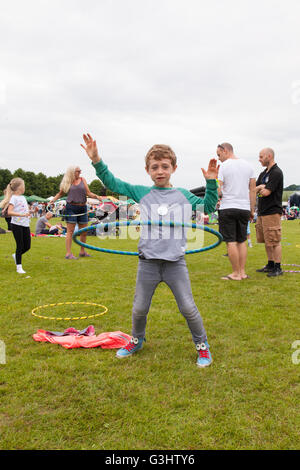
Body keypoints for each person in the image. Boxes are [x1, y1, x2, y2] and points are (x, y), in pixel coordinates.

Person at [81, 133, 219, 368]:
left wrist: (211, 183)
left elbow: (207, 206)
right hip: (148, 263)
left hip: (175, 263)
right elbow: (114, 184)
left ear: (174, 168)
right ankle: (136, 339)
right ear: (148, 170)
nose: (160, 171)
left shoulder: (183, 196)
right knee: (139, 308)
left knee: (188, 307)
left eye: (165, 166)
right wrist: (96, 161)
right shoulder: (142, 192)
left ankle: (202, 345)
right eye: (155, 167)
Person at [217, 143, 256, 280]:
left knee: (231, 242)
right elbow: (252, 189)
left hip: (228, 207)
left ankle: (235, 273)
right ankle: (242, 272)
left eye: (219, 154)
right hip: (244, 208)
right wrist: (252, 209)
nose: (219, 158)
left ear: (225, 150)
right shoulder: (249, 166)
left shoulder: (223, 166)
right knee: (242, 241)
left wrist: (218, 197)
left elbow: (218, 188)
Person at [50, 165, 102, 259]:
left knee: (84, 231)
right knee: (70, 231)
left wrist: (97, 197)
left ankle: (82, 252)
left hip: (83, 208)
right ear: (72, 172)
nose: (80, 172)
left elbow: (88, 193)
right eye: (78, 171)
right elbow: (60, 194)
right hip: (71, 208)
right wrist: (52, 200)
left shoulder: (83, 180)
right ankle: (68, 253)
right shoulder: (68, 182)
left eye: (80, 170)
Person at [255, 148, 284, 277]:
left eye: (261, 157)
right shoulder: (263, 174)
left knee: (274, 240)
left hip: (272, 211)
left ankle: (278, 267)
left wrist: (261, 188)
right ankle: (270, 264)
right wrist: (260, 187)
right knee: (267, 241)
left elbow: (266, 192)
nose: (259, 159)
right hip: (262, 212)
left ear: (269, 156)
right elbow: (254, 189)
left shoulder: (276, 173)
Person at [0, 178, 31, 273]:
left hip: (25, 224)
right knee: (20, 245)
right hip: (16, 225)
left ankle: (16, 256)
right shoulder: (13, 198)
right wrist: (22, 215)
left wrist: (31, 212)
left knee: (27, 246)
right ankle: (19, 267)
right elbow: (9, 212)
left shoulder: (23, 198)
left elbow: (23, 210)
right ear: (19, 187)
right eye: (23, 185)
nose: (24, 187)